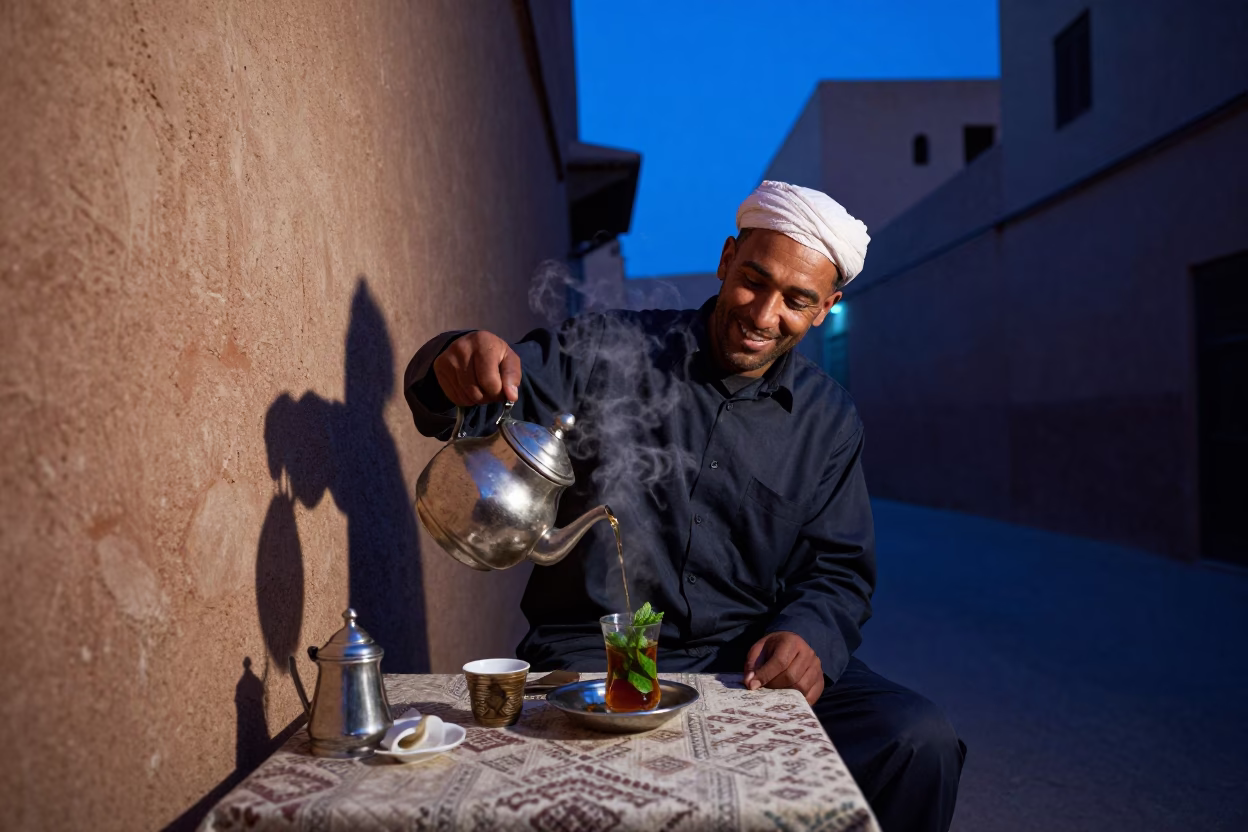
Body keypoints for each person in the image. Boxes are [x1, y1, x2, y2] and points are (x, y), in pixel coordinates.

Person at [405, 181, 965, 832]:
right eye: (754, 280)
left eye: (796, 300)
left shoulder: (829, 422)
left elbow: (837, 573)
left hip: (745, 665)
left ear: (825, 309)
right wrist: (452, 365)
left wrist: (808, 638)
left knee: (916, 740)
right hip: (593, 652)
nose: (763, 314)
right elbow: (485, 397)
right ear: (727, 260)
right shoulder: (602, 350)